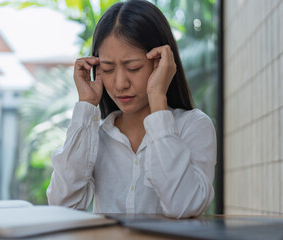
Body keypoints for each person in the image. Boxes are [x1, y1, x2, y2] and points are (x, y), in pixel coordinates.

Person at [47, 0, 216, 218]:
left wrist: (157, 98)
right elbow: (62, 206)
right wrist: (86, 105)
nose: (120, 84)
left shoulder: (193, 126)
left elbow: (183, 206)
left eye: (133, 68)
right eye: (107, 69)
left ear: (160, 63)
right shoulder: (95, 136)